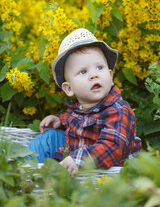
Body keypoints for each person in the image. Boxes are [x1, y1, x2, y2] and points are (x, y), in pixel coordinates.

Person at [28, 28, 142, 174]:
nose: (94, 75)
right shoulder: (82, 106)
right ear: (69, 89)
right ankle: (25, 171)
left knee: (86, 152)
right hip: (79, 154)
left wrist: (77, 159)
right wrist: (59, 120)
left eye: (99, 67)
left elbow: (111, 148)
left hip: (107, 172)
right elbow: (75, 118)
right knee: (48, 138)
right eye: (83, 71)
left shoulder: (119, 110)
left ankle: (45, 178)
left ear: (110, 76)